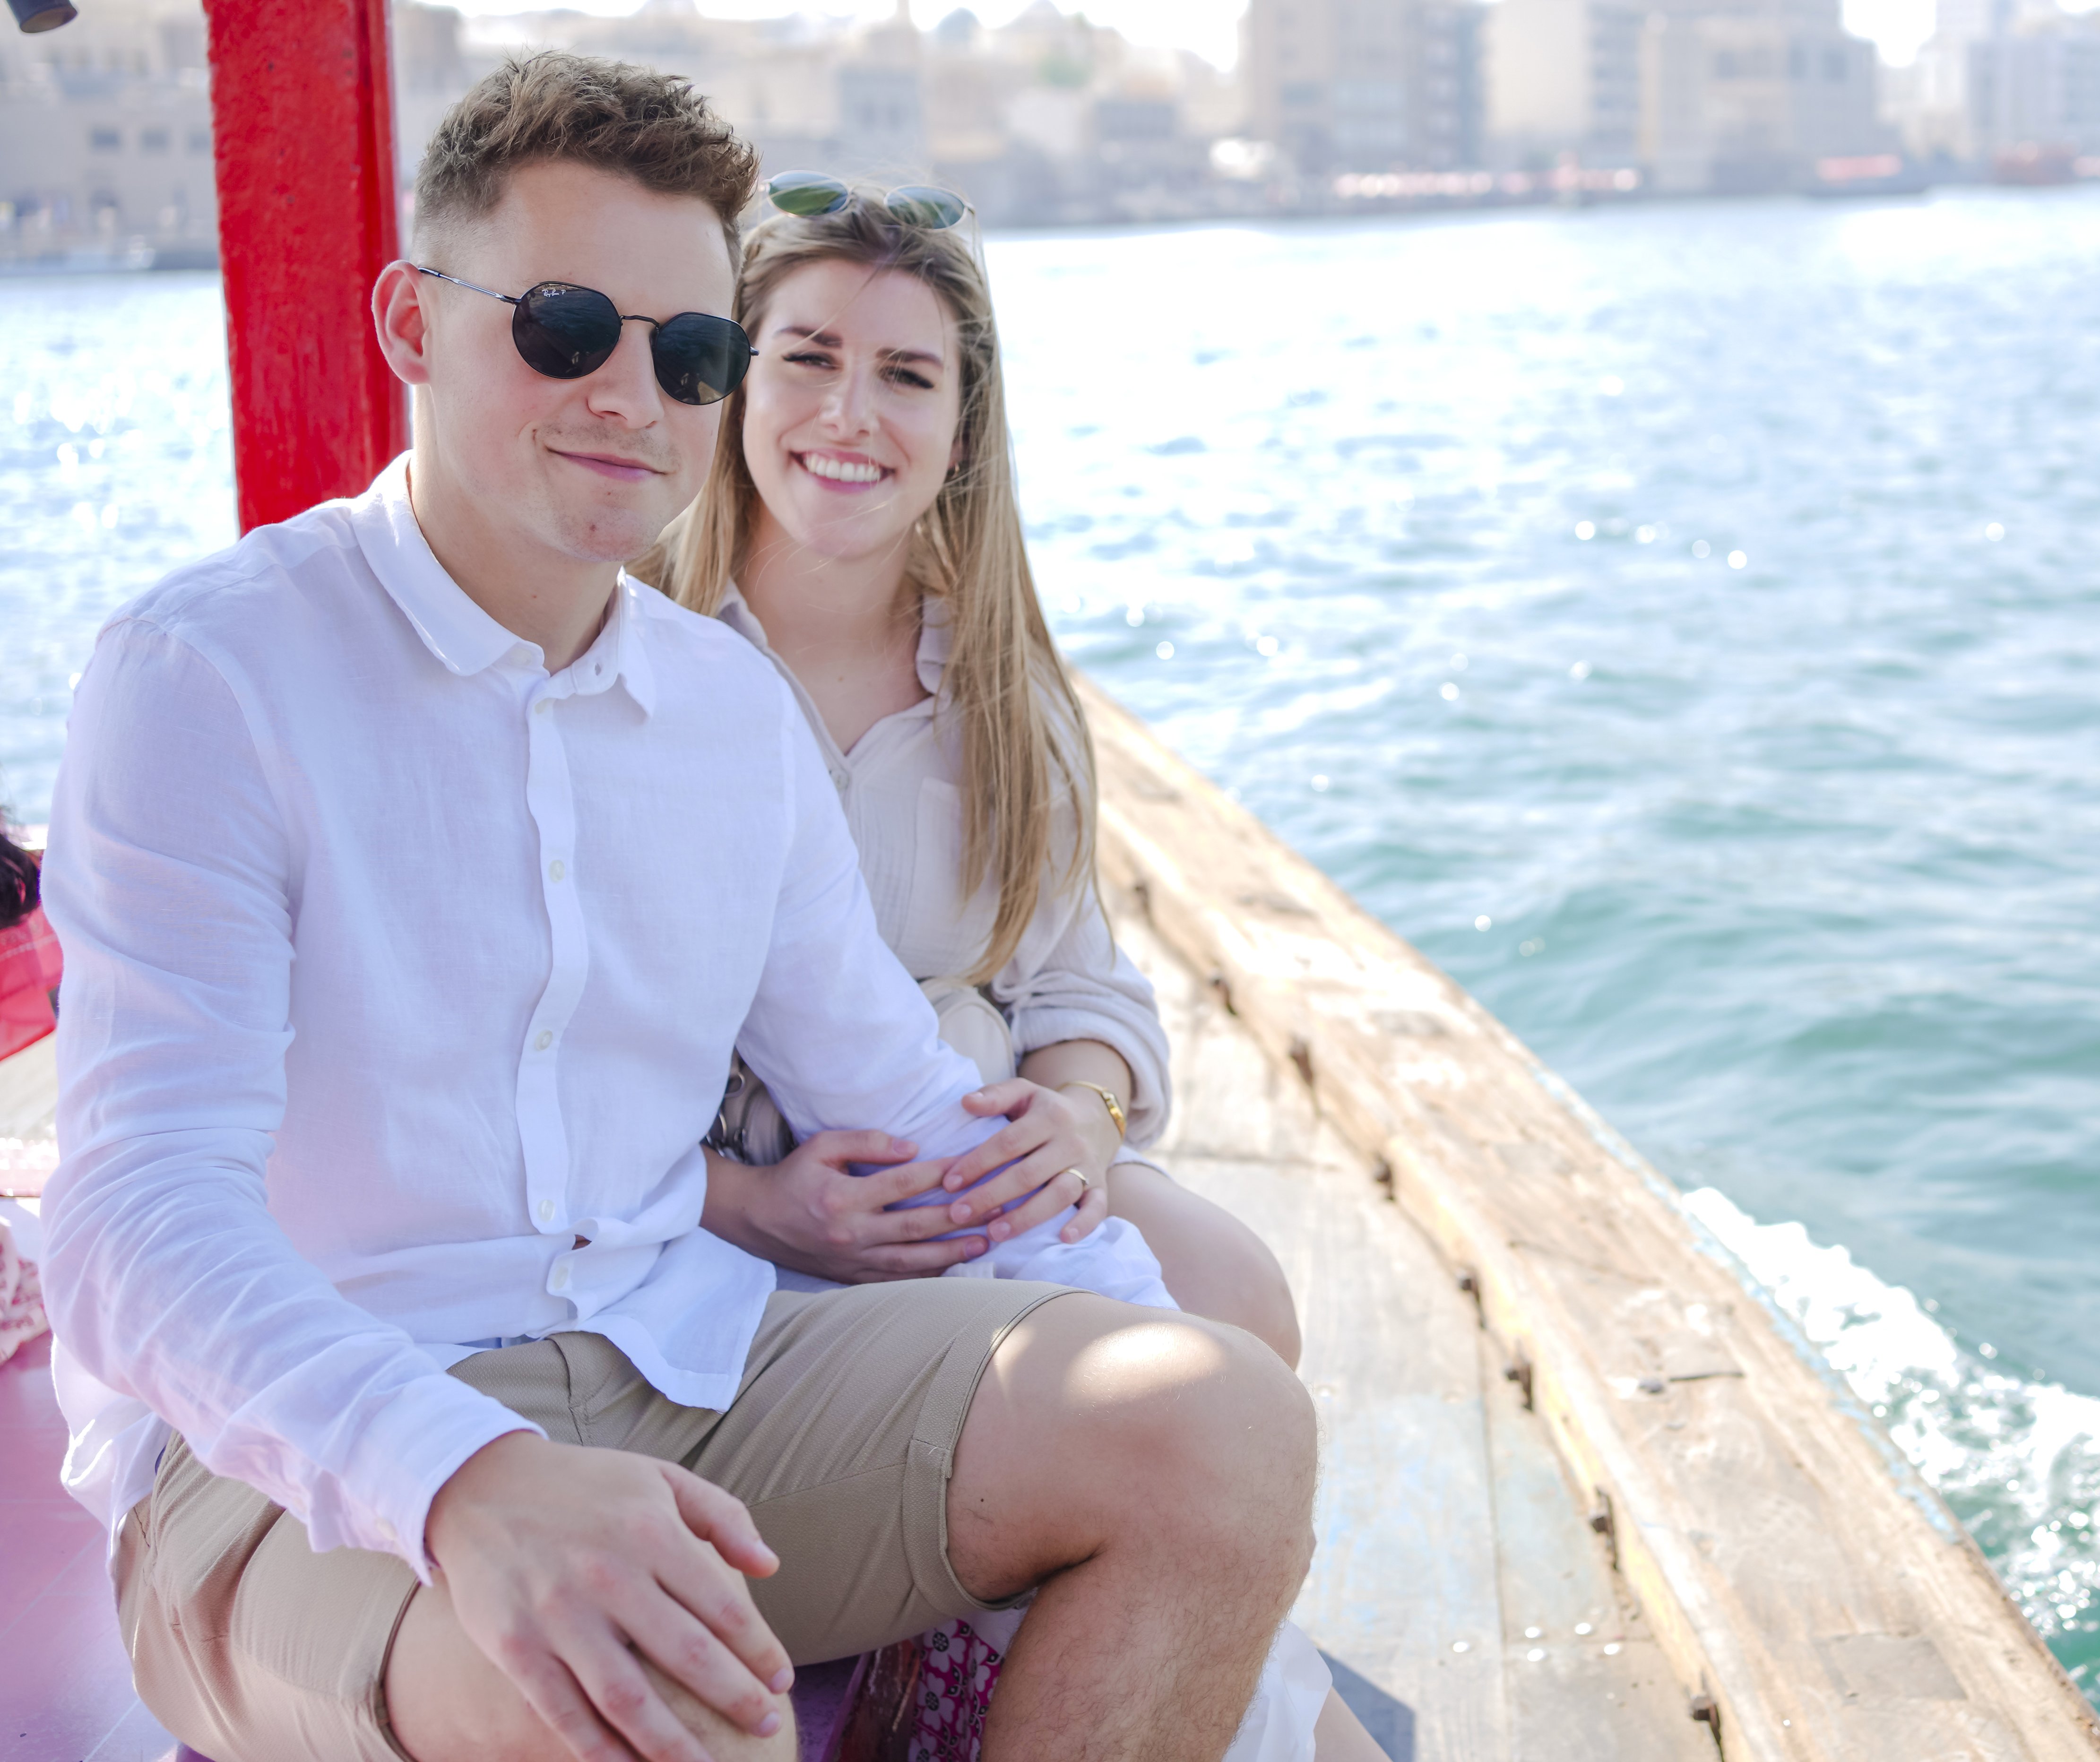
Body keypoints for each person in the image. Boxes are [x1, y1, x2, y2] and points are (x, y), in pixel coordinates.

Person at [41, 53, 1316, 1762]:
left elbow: (901, 1086)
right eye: (566, 324)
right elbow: (132, 1219)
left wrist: (1125, 1293)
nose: (631, 396)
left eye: (691, 352)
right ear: (412, 321)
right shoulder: (209, 672)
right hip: (296, 1450)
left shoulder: (723, 711)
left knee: (1222, 1421)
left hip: (677, 1360)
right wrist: (465, 1479)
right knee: (652, 1701)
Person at [640, 184, 1300, 1357]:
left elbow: (1079, 992)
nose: (850, 413)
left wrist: (1084, 1125)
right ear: (735, 376)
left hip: (968, 1177)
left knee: (1241, 1303)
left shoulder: (1003, 692)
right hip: (710, 1209)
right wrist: (751, 1207)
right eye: (809, 357)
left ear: (960, 430)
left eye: (906, 374)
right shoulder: (629, 647)